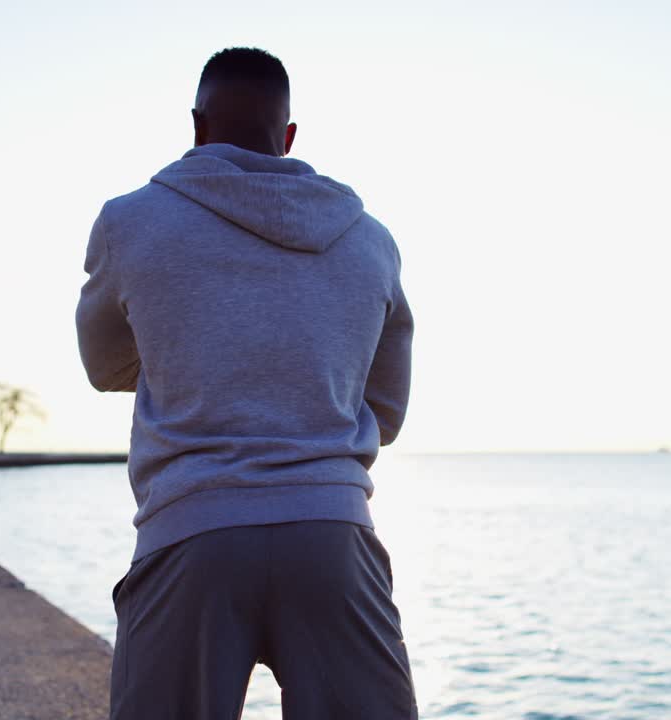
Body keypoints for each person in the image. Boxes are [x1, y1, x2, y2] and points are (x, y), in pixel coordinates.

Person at [75, 47, 417, 719]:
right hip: (332, 534)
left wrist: (204, 349)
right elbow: (388, 409)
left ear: (197, 125)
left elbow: (104, 365)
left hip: (191, 530)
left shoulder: (129, 221)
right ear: (289, 137)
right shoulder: (372, 241)